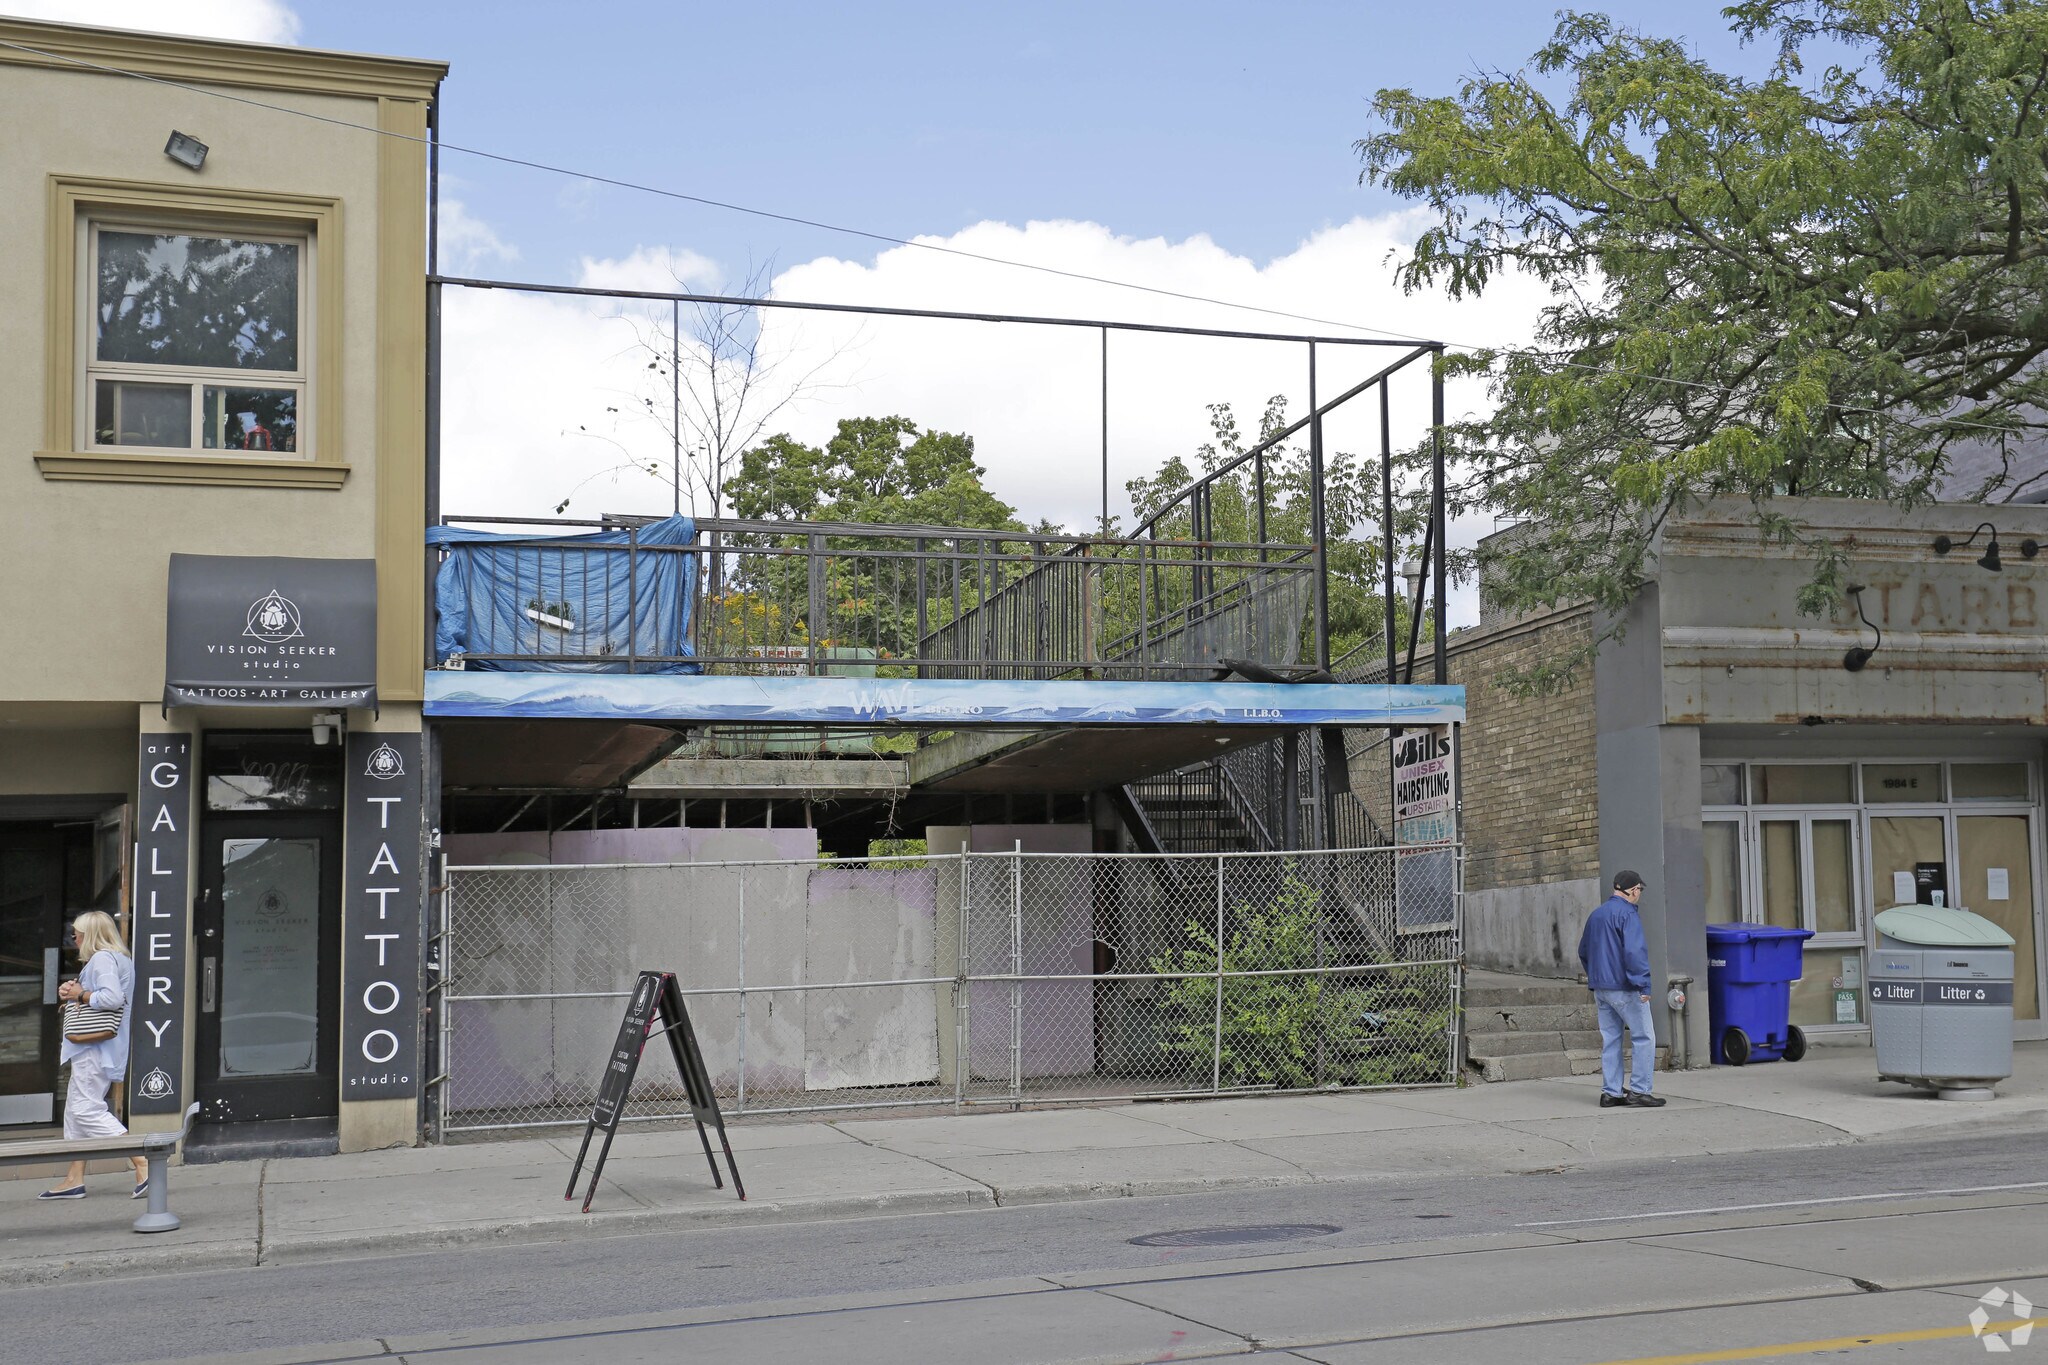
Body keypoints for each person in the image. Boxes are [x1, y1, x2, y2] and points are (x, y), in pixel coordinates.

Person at [41, 911, 148, 1200]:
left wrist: (80, 995)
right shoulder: (116, 958)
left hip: (94, 1048)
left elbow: (111, 998)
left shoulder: (102, 959)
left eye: (77, 933)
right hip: (99, 1047)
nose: (73, 938)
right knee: (75, 1114)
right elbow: (101, 995)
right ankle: (73, 1179)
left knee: (86, 1110)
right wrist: (75, 991)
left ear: (90, 934)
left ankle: (143, 1162)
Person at [1578, 870, 1665, 1109]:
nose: (1639, 894)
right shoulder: (1628, 915)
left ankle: (1611, 1093)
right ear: (1634, 890)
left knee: (1611, 1040)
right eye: (1640, 890)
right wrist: (1643, 984)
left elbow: (1583, 951)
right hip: (1625, 988)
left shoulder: (1597, 915)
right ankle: (1639, 1091)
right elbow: (1635, 954)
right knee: (1644, 1037)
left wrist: (1595, 975)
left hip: (1601, 989)